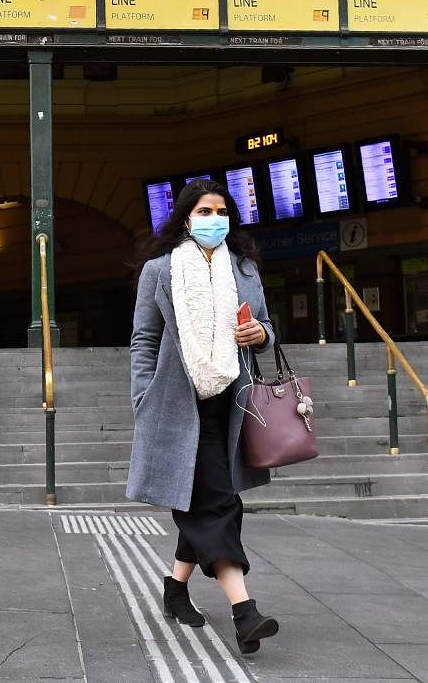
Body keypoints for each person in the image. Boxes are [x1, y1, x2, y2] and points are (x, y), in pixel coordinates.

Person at [126, 178, 279, 654]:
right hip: (178, 403)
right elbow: (144, 340)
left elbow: (268, 327)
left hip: (231, 402)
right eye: (204, 211)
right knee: (218, 503)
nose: (213, 219)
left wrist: (261, 335)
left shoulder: (244, 269)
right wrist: (142, 396)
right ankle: (244, 611)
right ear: (186, 218)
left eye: (221, 210)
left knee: (206, 498)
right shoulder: (160, 270)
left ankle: (175, 588)